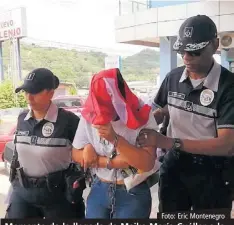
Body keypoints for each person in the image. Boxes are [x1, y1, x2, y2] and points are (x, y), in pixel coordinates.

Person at [138, 15, 234, 212]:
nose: (187, 58)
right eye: (182, 51)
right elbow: (161, 110)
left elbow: (227, 145)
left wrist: (168, 142)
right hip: (174, 166)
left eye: (195, 52)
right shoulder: (173, 77)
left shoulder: (228, 86)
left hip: (213, 172)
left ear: (215, 45)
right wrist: (151, 118)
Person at [72, 68, 159, 219]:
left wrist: (115, 139)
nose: (102, 116)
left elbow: (146, 163)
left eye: (107, 109)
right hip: (99, 187)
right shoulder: (90, 113)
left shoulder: (142, 114)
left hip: (132, 191)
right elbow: (75, 153)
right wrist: (88, 148)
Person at [5, 68, 85, 218]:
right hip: (23, 192)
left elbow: (84, 155)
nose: (29, 97)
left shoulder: (69, 121)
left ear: (50, 93)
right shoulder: (22, 119)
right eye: (26, 92)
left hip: (57, 196)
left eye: (34, 92)